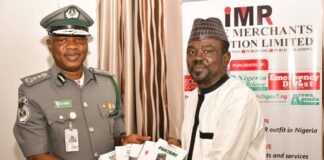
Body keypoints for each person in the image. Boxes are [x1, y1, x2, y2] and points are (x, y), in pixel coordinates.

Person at [13, 5, 150, 160]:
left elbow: (115, 138)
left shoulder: (108, 83)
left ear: (86, 44)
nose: (72, 46)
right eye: (62, 40)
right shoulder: (33, 91)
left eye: (79, 39)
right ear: (50, 45)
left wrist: (124, 141)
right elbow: (36, 155)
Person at [168, 17, 266, 159]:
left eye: (207, 51)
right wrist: (181, 149)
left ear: (226, 58)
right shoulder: (194, 95)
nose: (197, 57)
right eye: (191, 52)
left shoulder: (238, 98)